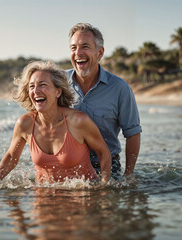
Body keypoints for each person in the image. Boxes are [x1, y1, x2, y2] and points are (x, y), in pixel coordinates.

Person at [0, 61, 111, 183]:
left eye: (42, 85)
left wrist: (104, 185)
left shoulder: (78, 121)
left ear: (58, 92)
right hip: (43, 196)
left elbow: (103, 153)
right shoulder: (25, 124)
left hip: (81, 195)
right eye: (32, 86)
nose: (36, 91)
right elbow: (11, 157)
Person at [67, 23, 142, 177]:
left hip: (106, 166)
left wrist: (128, 175)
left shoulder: (120, 88)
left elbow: (133, 133)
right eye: (73, 48)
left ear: (99, 53)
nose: (78, 53)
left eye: (85, 47)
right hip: (66, 166)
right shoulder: (58, 84)